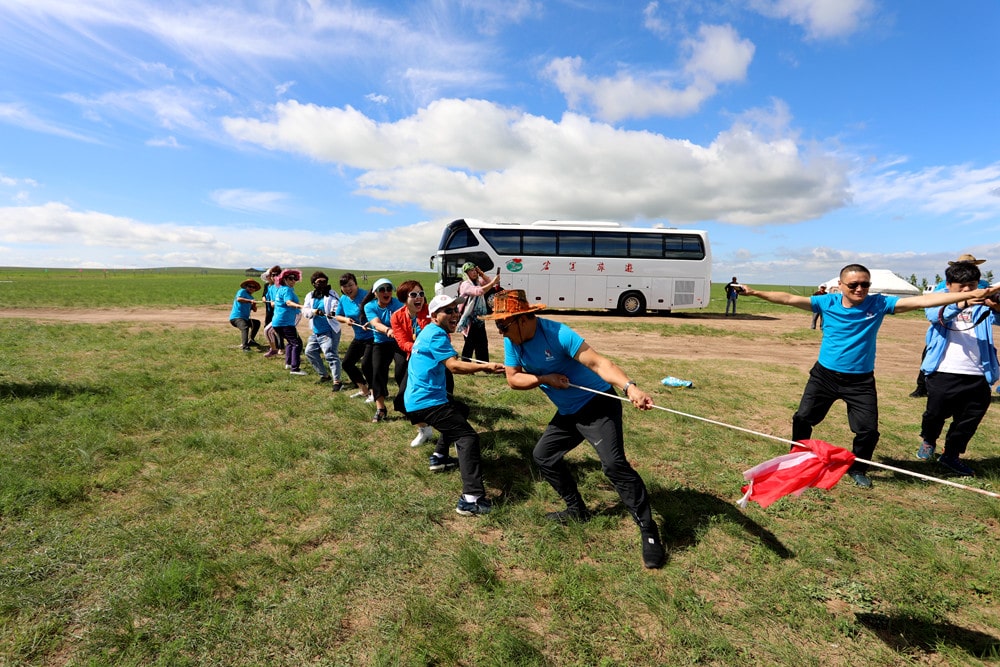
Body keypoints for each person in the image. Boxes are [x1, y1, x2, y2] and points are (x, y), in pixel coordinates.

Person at [741, 263, 1000, 488]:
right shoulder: (826, 302)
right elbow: (786, 299)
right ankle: (797, 456)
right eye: (853, 284)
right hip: (824, 376)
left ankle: (858, 468)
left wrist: (969, 296)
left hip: (861, 380)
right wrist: (754, 292)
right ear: (840, 285)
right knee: (803, 417)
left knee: (868, 431)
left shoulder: (879, 303)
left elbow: (921, 301)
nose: (859, 289)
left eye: (865, 284)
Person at [487, 289, 666, 569]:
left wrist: (630, 387)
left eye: (502, 325)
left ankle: (648, 529)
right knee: (543, 455)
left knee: (613, 464)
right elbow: (513, 379)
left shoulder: (559, 334)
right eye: (498, 325)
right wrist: (544, 378)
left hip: (597, 403)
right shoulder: (514, 340)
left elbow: (599, 363)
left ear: (522, 318)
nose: (500, 331)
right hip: (569, 412)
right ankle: (577, 510)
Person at [404, 294, 506, 516]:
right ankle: (471, 499)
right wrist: (485, 367)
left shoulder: (429, 331)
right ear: (434, 315)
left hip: (420, 398)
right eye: (447, 311)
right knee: (467, 437)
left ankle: (439, 458)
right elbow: (454, 367)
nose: (454, 314)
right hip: (427, 402)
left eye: (455, 309)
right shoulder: (437, 334)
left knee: (460, 410)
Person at [916, 260, 999, 476]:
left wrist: (996, 306)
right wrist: (964, 302)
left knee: (969, 419)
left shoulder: (983, 302)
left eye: (971, 285)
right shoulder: (938, 299)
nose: (966, 290)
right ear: (948, 284)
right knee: (935, 414)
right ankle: (928, 441)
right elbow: (935, 316)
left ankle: (951, 454)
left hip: (979, 372)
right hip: (944, 369)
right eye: (960, 286)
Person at [910, 253, 989, 398]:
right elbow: (933, 310)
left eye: (971, 264)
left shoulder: (983, 286)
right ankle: (921, 387)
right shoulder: (943, 286)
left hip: (974, 337)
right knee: (930, 356)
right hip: (943, 333)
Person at [391, 280, 437, 447]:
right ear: (404, 298)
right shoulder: (396, 316)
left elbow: (438, 333)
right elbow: (402, 342)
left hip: (435, 361)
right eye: (414, 295)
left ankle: (451, 433)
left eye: (421, 294)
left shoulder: (431, 312)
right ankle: (424, 429)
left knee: (445, 398)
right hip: (415, 360)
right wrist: (419, 348)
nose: (419, 298)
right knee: (403, 399)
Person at [363, 278, 403, 423]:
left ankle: (405, 403)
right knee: (378, 371)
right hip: (380, 342)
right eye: (382, 289)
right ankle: (380, 408)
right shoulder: (370, 306)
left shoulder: (398, 304)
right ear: (375, 293)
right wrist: (388, 330)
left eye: (388, 289)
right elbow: (376, 323)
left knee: (401, 369)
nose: (386, 292)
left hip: (398, 342)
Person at [334, 273, 373, 400]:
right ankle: (364, 390)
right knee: (347, 363)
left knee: (366, 365)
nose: (348, 289)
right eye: (344, 286)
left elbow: (377, 311)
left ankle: (375, 393)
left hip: (372, 336)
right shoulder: (343, 299)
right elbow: (337, 315)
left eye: (350, 285)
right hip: (359, 337)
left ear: (356, 284)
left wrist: (371, 322)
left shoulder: (366, 296)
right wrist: (346, 319)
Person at [302, 271, 343, 389]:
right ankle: (324, 375)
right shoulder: (310, 295)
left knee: (330, 354)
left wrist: (333, 313)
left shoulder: (332, 294)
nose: (322, 284)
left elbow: (337, 305)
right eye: (319, 282)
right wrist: (314, 312)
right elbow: (305, 310)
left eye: (324, 281)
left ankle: (337, 381)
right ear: (313, 283)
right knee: (309, 352)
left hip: (330, 330)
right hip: (316, 330)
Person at [458, 262, 502, 361]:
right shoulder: (465, 284)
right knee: (469, 344)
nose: (474, 273)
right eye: (471, 271)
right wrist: (492, 282)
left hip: (479, 318)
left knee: (482, 343)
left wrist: (482, 274)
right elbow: (479, 291)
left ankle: (483, 365)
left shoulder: (478, 282)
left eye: (475, 270)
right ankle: (466, 365)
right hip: (469, 319)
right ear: (466, 273)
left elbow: (490, 283)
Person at [272, 268, 306, 376]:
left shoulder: (280, 289)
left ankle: (288, 363)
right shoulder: (287, 290)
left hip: (277, 323)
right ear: (284, 279)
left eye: (295, 278)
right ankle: (295, 369)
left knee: (291, 342)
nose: (293, 281)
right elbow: (288, 303)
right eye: (290, 278)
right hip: (285, 322)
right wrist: (301, 307)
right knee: (297, 343)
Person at [229, 279, 261, 350]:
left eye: (253, 287)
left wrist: (254, 304)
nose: (251, 288)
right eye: (250, 286)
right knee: (245, 327)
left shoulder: (252, 298)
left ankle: (251, 340)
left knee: (256, 323)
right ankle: (245, 346)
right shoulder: (242, 291)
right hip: (236, 317)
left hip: (245, 318)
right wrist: (250, 301)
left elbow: (254, 310)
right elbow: (239, 299)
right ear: (246, 287)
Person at [261, 265, 284, 358]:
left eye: (274, 275)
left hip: (278, 311)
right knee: (268, 327)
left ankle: (281, 347)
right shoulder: (268, 286)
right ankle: (274, 347)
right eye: (270, 275)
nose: (270, 277)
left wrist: (276, 302)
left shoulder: (279, 286)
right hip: (269, 310)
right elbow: (264, 295)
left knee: (280, 329)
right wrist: (264, 299)